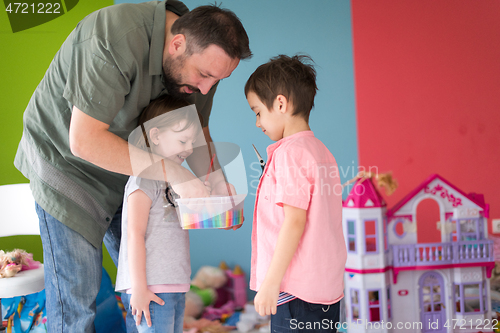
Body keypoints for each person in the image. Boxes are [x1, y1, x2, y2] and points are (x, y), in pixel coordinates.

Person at [14, 0, 251, 331]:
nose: (206, 89)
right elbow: (84, 141)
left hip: (132, 171)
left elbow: (197, 129)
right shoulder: (113, 36)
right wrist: (176, 173)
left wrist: (215, 187)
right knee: (79, 299)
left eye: (218, 80)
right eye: (205, 75)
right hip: (67, 164)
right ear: (177, 44)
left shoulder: (200, 62)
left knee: (151, 285)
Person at [244, 55, 347, 332]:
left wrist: (271, 283)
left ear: (280, 104)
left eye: (257, 112)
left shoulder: (290, 154)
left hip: (296, 293)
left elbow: (294, 221)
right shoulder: (321, 152)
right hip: (323, 290)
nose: (257, 122)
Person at [115, 95, 205, 333]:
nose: (189, 149)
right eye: (183, 140)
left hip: (175, 285)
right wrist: (139, 288)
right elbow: (133, 234)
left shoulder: (175, 181)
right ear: (155, 136)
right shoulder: (143, 178)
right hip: (151, 287)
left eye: (192, 142)